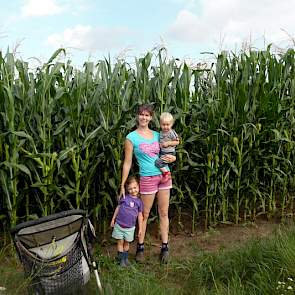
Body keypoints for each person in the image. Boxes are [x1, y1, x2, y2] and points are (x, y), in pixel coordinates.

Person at [119, 104, 176, 264]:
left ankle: (165, 247)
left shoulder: (159, 135)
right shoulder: (131, 138)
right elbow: (127, 163)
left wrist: (173, 158)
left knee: (163, 213)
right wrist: (122, 184)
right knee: (144, 215)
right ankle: (140, 247)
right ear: (137, 116)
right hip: (147, 178)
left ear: (151, 118)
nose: (144, 118)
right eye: (141, 115)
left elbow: (170, 151)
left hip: (164, 176)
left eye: (147, 115)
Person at [111, 176, 143, 267]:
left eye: (135, 188)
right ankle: (121, 260)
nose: (133, 190)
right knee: (120, 242)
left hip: (130, 228)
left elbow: (140, 215)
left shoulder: (139, 202)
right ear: (127, 189)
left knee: (127, 243)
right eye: (130, 189)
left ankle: (125, 258)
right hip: (119, 225)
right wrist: (113, 219)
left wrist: (140, 228)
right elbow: (118, 207)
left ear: (138, 187)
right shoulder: (125, 197)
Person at [155, 112, 179, 183]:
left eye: (168, 125)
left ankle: (167, 174)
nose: (165, 127)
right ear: (160, 124)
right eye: (163, 125)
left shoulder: (172, 132)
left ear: (171, 124)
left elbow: (177, 142)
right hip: (163, 152)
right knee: (161, 162)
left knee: (157, 162)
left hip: (170, 152)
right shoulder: (161, 132)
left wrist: (168, 143)